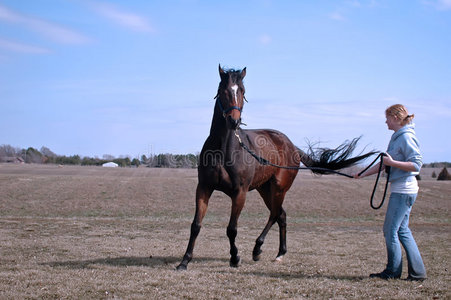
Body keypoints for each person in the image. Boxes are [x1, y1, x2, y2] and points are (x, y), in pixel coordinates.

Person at [354, 104, 426, 281]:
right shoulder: (397, 137)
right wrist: (362, 174)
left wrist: (393, 164)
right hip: (402, 189)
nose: (385, 121)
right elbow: (385, 163)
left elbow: (416, 164)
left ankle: (392, 272)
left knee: (390, 230)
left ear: (395, 117)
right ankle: (417, 273)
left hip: (404, 190)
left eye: (387, 117)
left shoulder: (406, 137)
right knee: (402, 230)